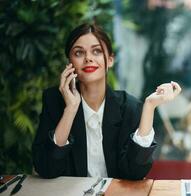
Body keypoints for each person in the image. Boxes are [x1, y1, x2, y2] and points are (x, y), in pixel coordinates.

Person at [32, 23, 181, 180]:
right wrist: (70, 109)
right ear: (70, 63)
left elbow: (135, 172)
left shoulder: (129, 107)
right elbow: (46, 169)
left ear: (110, 60)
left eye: (96, 51)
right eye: (78, 53)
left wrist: (150, 106)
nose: (88, 58)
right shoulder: (54, 101)